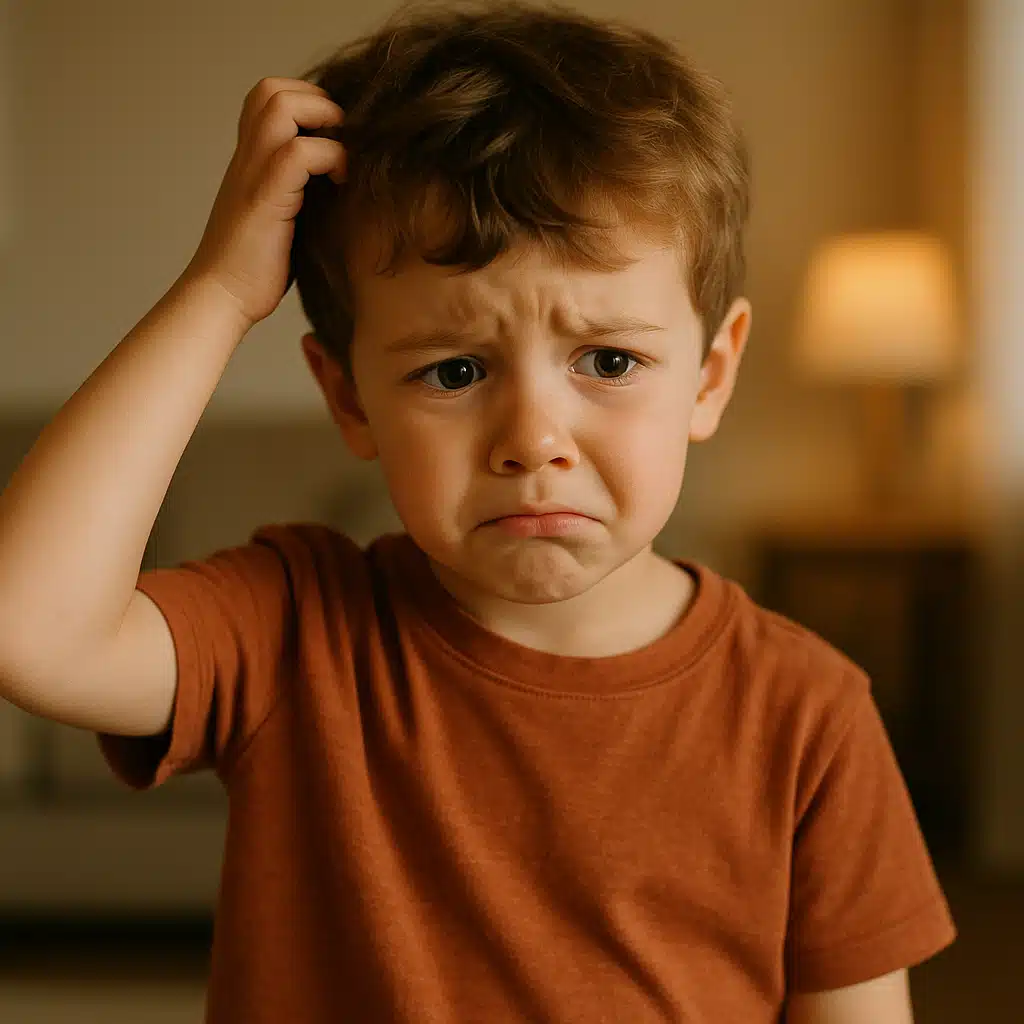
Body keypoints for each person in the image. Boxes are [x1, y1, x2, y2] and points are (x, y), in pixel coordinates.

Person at [0, 1, 955, 1021]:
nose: (531, 437)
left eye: (609, 361)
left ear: (710, 377)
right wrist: (220, 290)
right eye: (455, 369)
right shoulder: (293, 629)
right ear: (349, 397)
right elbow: (32, 629)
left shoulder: (809, 714)